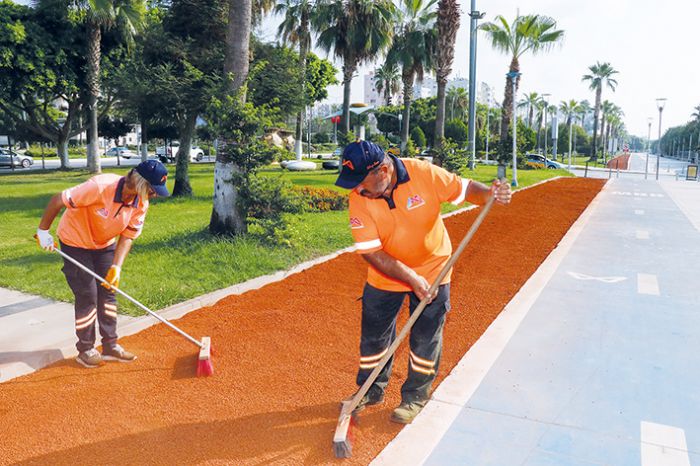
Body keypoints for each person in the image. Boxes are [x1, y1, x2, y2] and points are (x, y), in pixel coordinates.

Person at [336, 140, 512, 424]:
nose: (356, 190)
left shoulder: (423, 173)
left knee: (425, 336)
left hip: (433, 270)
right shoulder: (360, 198)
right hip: (385, 273)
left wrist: (488, 193)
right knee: (374, 337)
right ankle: (370, 390)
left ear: (383, 170)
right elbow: (372, 252)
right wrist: (411, 278)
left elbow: (465, 189)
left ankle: (415, 396)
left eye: (360, 182)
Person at [36, 160, 170, 368]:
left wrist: (117, 267)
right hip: (75, 241)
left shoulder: (140, 203)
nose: (155, 195)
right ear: (140, 183)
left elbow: (128, 236)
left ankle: (110, 345)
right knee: (87, 294)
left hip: (104, 244)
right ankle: (86, 349)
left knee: (108, 291)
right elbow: (58, 200)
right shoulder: (100, 187)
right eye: (153, 190)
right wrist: (43, 231)